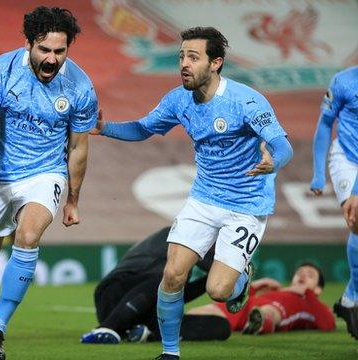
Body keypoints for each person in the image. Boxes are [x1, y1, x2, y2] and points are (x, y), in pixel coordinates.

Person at [93, 27, 293, 359]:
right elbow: (144, 128)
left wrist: (273, 162)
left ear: (216, 63)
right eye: (182, 56)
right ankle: (171, 353)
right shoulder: (177, 100)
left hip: (246, 205)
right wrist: (105, 128)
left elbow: (281, 145)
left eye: (193, 57)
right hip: (203, 199)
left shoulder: (245, 101)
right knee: (172, 274)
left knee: (218, 291)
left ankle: (240, 278)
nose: (184, 64)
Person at [0, 6, 98, 360]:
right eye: (44, 50)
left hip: (44, 173)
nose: (51, 59)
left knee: (28, 236)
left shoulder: (80, 86)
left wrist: (72, 200)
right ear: (29, 44)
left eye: (60, 51)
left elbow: (79, 147)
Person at [80, 227, 232, 344]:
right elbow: (218, 267)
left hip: (147, 311)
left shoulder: (187, 258)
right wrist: (233, 272)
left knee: (221, 326)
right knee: (162, 281)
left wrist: (211, 282)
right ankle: (106, 328)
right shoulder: (182, 234)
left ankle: (143, 334)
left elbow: (174, 295)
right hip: (114, 297)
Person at [309, 65, 358, 340]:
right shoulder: (342, 81)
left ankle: (350, 297)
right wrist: (318, 173)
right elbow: (325, 123)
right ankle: (354, 297)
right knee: (357, 221)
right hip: (348, 159)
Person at [187, 262, 335, 335]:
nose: (302, 275)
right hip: (246, 309)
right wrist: (256, 286)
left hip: (275, 311)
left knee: (269, 310)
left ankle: (260, 321)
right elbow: (241, 300)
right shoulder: (277, 290)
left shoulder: (310, 303)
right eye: (300, 272)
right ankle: (174, 323)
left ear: (318, 289)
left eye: (309, 275)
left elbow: (328, 323)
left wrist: (308, 293)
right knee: (208, 310)